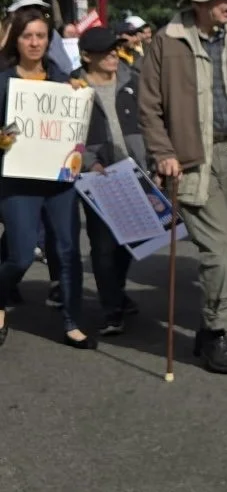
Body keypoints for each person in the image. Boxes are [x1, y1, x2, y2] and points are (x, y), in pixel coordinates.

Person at [137, 0, 227, 375]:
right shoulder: (167, 41)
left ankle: (215, 328)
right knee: (216, 251)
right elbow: (149, 105)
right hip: (195, 161)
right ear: (198, 4)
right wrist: (162, 151)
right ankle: (216, 332)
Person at [0, 6, 93, 348]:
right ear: (17, 40)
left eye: (41, 35)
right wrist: (2, 138)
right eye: (28, 36)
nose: (35, 43)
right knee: (21, 255)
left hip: (58, 180)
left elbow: (77, 131)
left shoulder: (63, 81)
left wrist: (79, 100)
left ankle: (72, 320)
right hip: (18, 179)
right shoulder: (3, 80)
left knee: (67, 250)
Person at [74, 25, 146, 337]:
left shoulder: (134, 82)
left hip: (134, 175)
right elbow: (70, 136)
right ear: (87, 56)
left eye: (114, 48)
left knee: (133, 241)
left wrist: (153, 160)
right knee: (103, 246)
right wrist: (91, 162)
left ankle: (116, 289)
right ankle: (111, 308)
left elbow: (150, 122)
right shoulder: (73, 88)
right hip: (97, 178)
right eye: (105, 51)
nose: (113, 54)